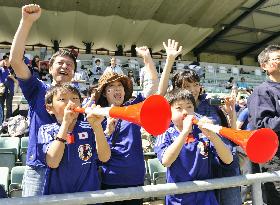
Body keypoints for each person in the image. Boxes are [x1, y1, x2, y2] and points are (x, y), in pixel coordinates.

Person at [158, 39, 242, 205]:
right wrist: (169, 60)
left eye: (196, 85)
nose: (193, 90)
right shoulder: (172, 120)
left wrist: (231, 113)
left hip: (223, 167)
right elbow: (160, 98)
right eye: (187, 86)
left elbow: (230, 135)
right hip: (195, 178)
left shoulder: (211, 103)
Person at [9, 4, 77, 197]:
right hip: (38, 170)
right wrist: (26, 21)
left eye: (70, 65)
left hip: (68, 167)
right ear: (49, 68)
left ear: (74, 72)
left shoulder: (78, 99)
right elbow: (15, 60)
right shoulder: (37, 88)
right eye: (60, 63)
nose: (65, 66)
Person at [96, 46, 158, 205]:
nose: (117, 90)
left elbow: (153, 88)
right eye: (112, 87)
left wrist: (147, 59)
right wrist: (106, 131)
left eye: (120, 87)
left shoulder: (134, 107)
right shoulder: (96, 115)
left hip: (135, 179)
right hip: (110, 180)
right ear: (104, 93)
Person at [154, 89, 233, 205]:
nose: (185, 112)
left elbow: (228, 159)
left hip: (206, 198)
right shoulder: (166, 133)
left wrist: (212, 136)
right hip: (178, 200)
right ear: (169, 113)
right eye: (179, 108)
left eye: (189, 107)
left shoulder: (203, 131)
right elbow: (166, 161)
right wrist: (185, 132)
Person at [37, 84, 110, 194]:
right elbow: (53, 162)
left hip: (89, 197)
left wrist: (97, 126)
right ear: (49, 108)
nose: (71, 103)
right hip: (59, 198)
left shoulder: (89, 127)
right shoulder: (46, 130)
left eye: (75, 98)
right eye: (62, 99)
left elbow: (104, 157)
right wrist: (66, 124)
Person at [247, 44, 280, 205]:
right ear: (264, 66)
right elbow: (263, 126)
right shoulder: (262, 91)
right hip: (274, 158)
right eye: (278, 58)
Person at [0, 55, 17, 120]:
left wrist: (12, 77)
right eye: (5, 60)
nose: (6, 61)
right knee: (1, 106)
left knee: (9, 106)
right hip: (2, 90)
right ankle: (1, 122)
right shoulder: (1, 69)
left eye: (7, 60)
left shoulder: (14, 70)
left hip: (10, 91)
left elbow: (17, 82)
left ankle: (8, 121)